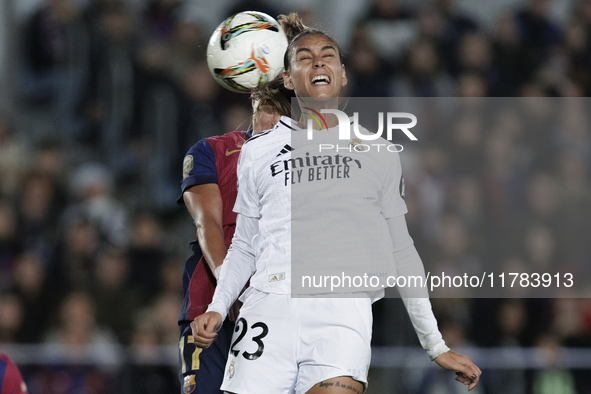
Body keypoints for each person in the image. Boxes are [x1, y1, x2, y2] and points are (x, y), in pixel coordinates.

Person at [192, 13, 481, 394]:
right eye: (305, 57)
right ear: (287, 79)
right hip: (268, 308)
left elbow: (401, 250)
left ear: (343, 75)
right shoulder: (258, 153)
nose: (318, 62)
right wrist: (218, 304)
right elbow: (246, 245)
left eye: (327, 55)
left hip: (342, 313)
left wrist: (435, 344)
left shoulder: (378, 151)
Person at [177, 78, 292, 394]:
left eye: (286, 110)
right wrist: (232, 290)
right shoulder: (211, 151)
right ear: (255, 102)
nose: (276, 119)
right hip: (209, 305)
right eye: (270, 107)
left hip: (279, 311)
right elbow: (207, 223)